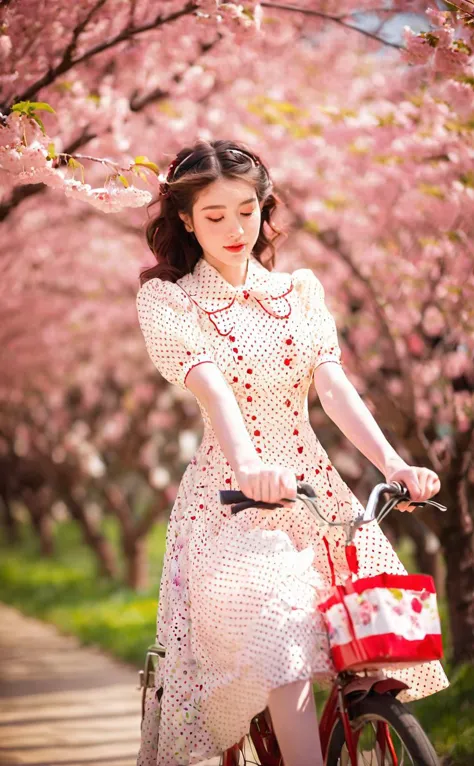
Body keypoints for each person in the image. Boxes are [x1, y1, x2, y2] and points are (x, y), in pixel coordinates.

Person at [135, 139, 449, 766]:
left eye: (246, 211)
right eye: (214, 215)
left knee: (364, 633)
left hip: (314, 490)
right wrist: (250, 466)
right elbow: (213, 387)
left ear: (264, 208)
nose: (233, 228)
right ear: (186, 220)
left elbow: (332, 386)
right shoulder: (169, 299)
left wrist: (393, 464)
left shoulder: (300, 292)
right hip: (230, 501)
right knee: (283, 633)